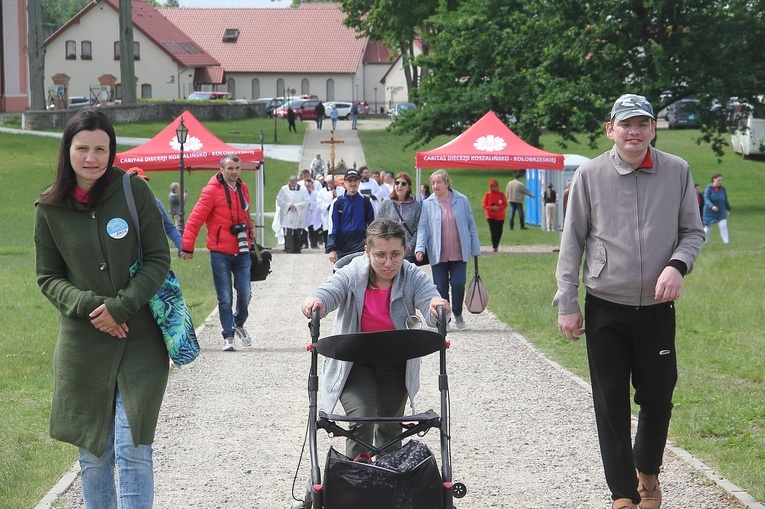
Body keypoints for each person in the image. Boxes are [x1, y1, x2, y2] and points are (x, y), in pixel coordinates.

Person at [553, 94, 704, 509]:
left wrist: (676, 265)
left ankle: (647, 475)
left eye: (642, 123)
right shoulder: (589, 175)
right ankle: (623, 494)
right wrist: (568, 301)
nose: (634, 131)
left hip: (656, 310)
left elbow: (693, 232)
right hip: (606, 307)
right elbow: (572, 244)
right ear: (611, 130)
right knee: (610, 402)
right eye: (626, 124)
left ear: (654, 129)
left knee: (658, 397)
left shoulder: (677, 171)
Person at [34, 108, 171, 508]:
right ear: (67, 149)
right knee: (93, 456)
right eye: (82, 148)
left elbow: (158, 259)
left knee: (134, 450)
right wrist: (95, 308)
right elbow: (47, 277)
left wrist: (123, 307)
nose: (91, 158)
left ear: (111, 151)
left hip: (140, 342)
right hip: (83, 347)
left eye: (101, 149)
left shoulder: (133, 190)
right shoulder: (49, 208)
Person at [302, 218, 451, 458]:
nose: (389, 263)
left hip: (396, 359)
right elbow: (331, 289)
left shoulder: (411, 274)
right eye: (380, 255)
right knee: (363, 418)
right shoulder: (353, 272)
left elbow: (428, 297)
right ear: (367, 252)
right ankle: (355, 481)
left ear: (405, 252)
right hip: (354, 360)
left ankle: (388, 482)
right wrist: (316, 300)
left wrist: (435, 305)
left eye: (396, 255)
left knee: (391, 426)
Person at [181, 154, 254, 351]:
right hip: (220, 252)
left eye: (237, 168)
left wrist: (251, 235)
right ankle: (228, 335)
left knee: (245, 293)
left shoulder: (243, 188)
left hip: (242, 249)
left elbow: (247, 215)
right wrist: (187, 247)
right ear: (221, 169)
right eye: (230, 168)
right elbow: (195, 219)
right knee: (225, 297)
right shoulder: (211, 191)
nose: (234, 172)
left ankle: (238, 323)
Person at [416, 170, 481, 330]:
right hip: (438, 252)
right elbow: (423, 227)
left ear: (447, 183)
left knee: (458, 283)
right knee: (441, 286)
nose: (435, 186)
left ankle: (458, 313)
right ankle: (445, 318)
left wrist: (475, 247)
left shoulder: (462, 200)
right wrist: (420, 248)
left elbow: (470, 224)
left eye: (438, 182)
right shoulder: (428, 203)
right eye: (433, 183)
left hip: (459, 251)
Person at [326, 169, 375, 264]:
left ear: (359, 182)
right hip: (342, 246)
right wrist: (332, 248)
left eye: (355, 180)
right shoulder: (337, 202)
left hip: (361, 246)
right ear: (344, 183)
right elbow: (332, 227)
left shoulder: (367, 202)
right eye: (350, 181)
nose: (353, 184)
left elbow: (373, 226)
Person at [130, 167, 183, 254]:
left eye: (143, 182)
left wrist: (181, 245)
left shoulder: (155, 202)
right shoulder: (120, 204)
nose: (140, 185)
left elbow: (169, 227)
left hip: (152, 252)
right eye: (136, 182)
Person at [378, 172, 422, 263]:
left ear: (408, 187)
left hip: (408, 254)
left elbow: (418, 228)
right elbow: (378, 226)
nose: (399, 186)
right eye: (397, 183)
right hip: (388, 252)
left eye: (403, 183)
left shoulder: (415, 206)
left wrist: (410, 245)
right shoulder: (386, 204)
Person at [276, 175, 311, 253]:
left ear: (296, 182)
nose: (292, 184)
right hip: (288, 213)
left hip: (298, 213)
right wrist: (289, 206)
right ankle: (289, 248)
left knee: (298, 231)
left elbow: (307, 200)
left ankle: (297, 248)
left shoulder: (303, 189)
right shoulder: (284, 189)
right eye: (291, 182)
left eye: (294, 182)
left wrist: (297, 206)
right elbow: (279, 200)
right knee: (288, 231)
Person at [702, 173, 732, 244]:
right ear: (714, 179)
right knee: (708, 228)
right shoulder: (709, 189)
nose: (720, 182)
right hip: (710, 212)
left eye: (721, 180)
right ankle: (703, 241)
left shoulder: (722, 189)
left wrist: (728, 208)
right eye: (718, 180)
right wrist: (712, 206)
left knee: (723, 225)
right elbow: (706, 199)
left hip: (721, 211)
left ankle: (726, 242)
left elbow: (725, 199)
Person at [482, 178, 507, 251]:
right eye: (493, 186)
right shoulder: (487, 195)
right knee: (493, 230)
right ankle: (494, 246)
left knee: (499, 231)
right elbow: (484, 205)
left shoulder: (501, 194)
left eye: (496, 185)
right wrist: (491, 208)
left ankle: (497, 243)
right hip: (490, 216)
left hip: (500, 216)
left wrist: (499, 207)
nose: (495, 187)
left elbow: (505, 204)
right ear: (490, 186)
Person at [304, 178, 323, 249]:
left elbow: (317, 202)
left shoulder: (316, 194)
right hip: (305, 213)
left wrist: (311, 203)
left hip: (313, 213)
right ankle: (304, 243)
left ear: (312, 186)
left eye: (309, 186)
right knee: (304, 230)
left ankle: (314, 243)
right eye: (307, 186)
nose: (308, 188)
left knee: (312, 228)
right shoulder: (303, 193)